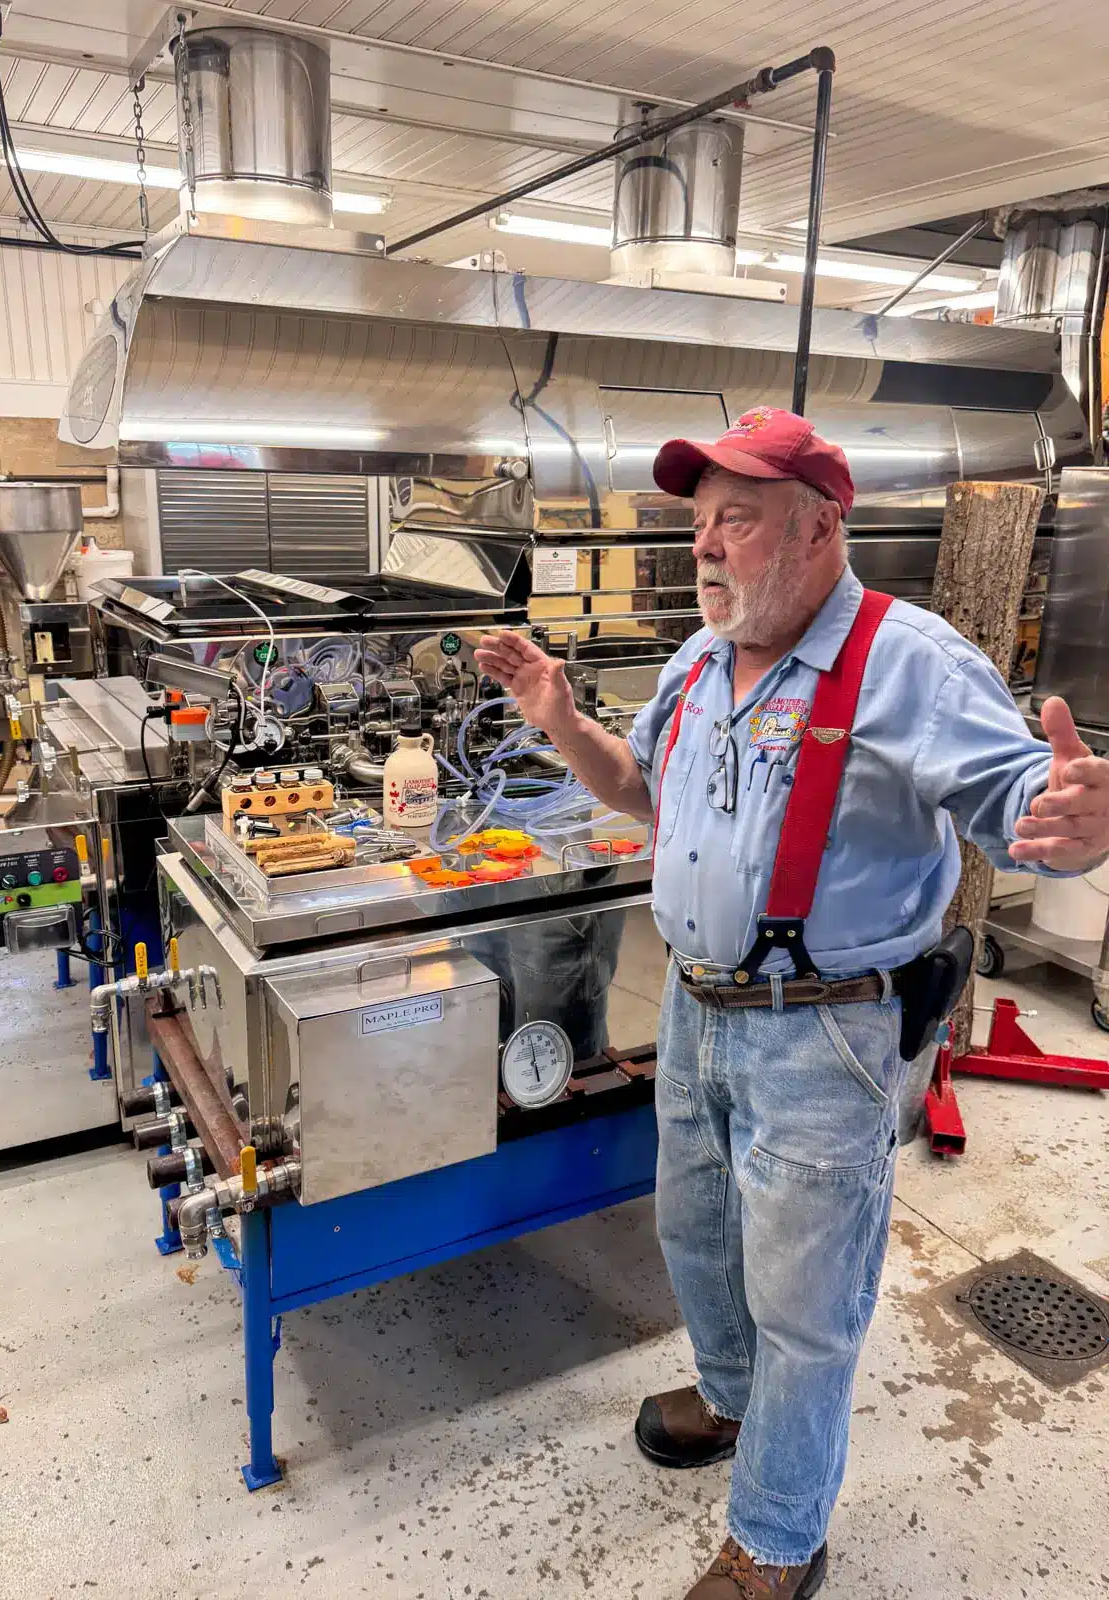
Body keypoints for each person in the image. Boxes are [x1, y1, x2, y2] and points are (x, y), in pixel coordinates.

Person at [475, 406, 1109, 1600]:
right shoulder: (697, 661)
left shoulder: (909, 659)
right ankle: (729, 1397)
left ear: (821, 528)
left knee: (805, 1303)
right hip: (695, 1012)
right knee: (696, 1237)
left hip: (826, 1032)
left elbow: (1024, 801)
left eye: (739, 520)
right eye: (700, 522)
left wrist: (1078, 820)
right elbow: (644, 790)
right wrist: (562, 720)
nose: (706, 546)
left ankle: (777, 1538)